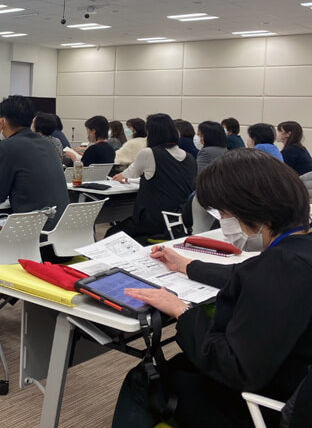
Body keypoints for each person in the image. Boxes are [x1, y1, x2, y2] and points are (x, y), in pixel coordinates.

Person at [112, 149, 312, 428]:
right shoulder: (297, 250)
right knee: (179, 365)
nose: (223, 221)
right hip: (291, 378)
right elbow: (243, 273)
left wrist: (181, 311)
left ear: (252, 208)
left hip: (262, 402)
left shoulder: (279, 268)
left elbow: (235, 368)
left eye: (224, 213)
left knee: (141, 380)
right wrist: (186, 265)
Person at [109, 113, 196, 241]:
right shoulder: (190, 158)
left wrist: (120, 176)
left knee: (111, 235)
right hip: (179, 223)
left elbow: (129, 173)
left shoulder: (149, 153)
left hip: (152, 222)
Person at [0, 95, 69, 229]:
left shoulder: (7, 146)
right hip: (59, 226)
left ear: (2, 122)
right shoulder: (46, 143)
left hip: (33, 230)